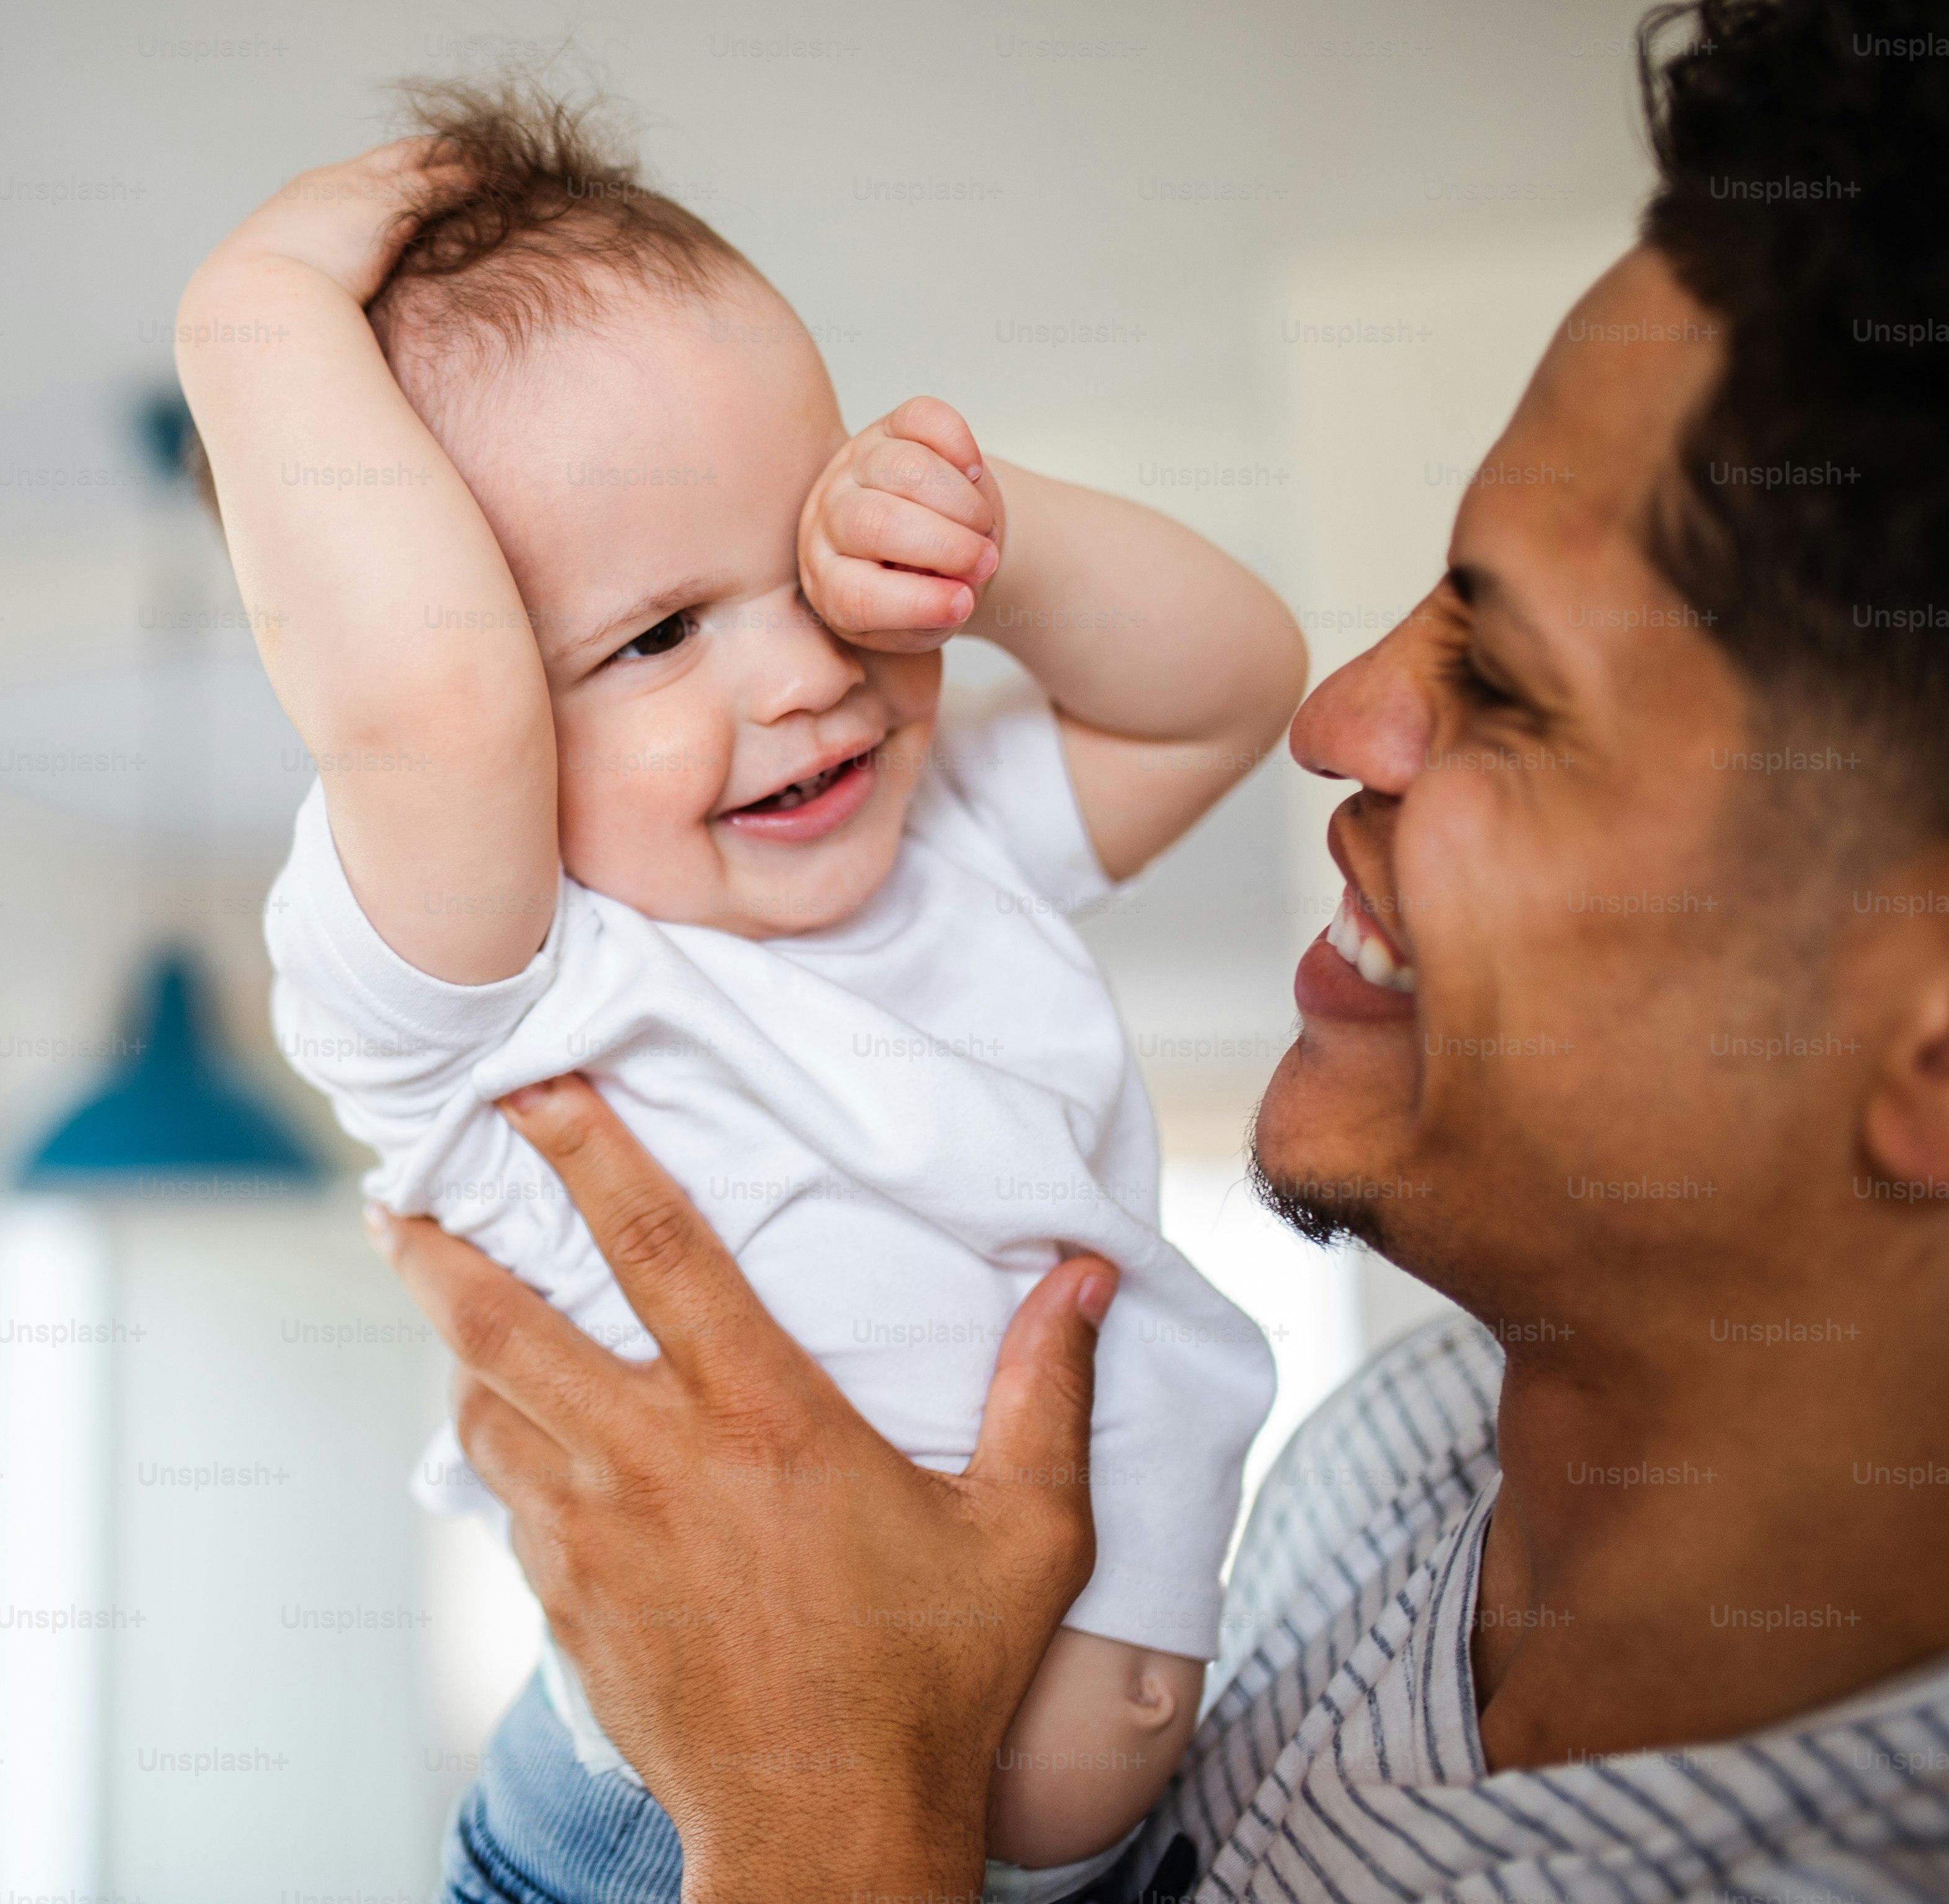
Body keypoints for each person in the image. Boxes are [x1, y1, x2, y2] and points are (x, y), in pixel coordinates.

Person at [371, 1, 1949, 1898]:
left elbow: (1203, 692)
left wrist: (822, 1816)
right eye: (655, 637)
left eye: (1510, 687)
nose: (1347, 714)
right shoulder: (1420, 1460)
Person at [174, 74, 1305, 1898]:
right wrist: (251, 321)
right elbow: (434, 703)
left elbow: (1233, 678)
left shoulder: (954, 845)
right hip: (662, 1844)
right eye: (657, 634)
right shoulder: (502, 980)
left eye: (814, 560)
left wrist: (980, 542)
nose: (807, 672)